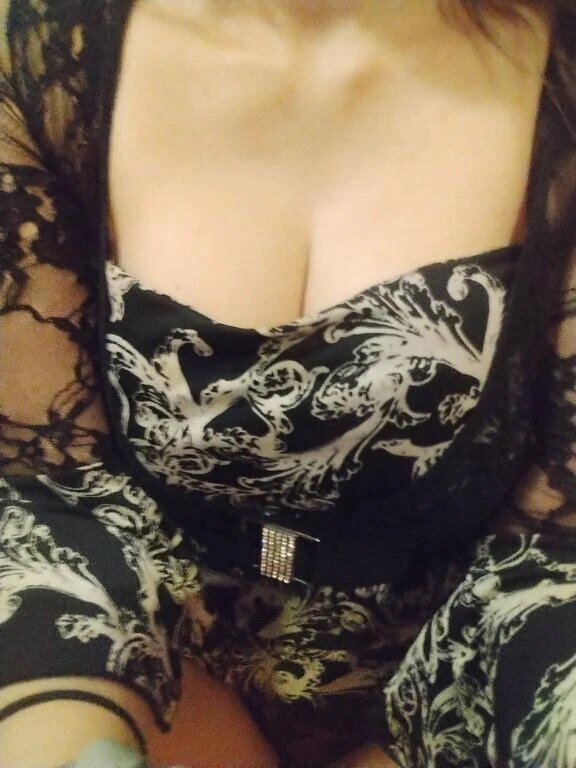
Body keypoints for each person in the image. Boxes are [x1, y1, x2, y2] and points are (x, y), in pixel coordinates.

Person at [0, 1, 575, 766]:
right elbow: (53, 494)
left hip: (457, 704)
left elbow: (553, 559)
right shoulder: (45, 56)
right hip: (152, 671)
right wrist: (69, 740)